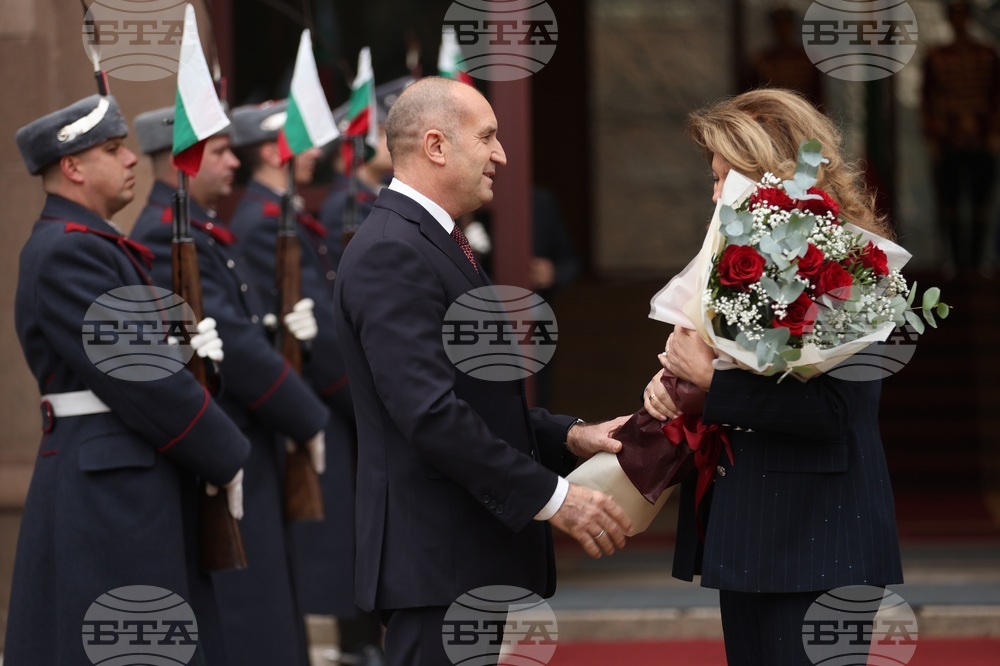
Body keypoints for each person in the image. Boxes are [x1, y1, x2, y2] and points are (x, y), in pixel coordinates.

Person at [333, 76, 633, 665]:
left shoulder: (432, 240)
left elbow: (474, 399)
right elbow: (430, 415)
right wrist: (555, 497)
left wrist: (569, 436)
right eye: (487, 136)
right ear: (436, 145)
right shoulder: (393, 249)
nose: (501, 154)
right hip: (434, 560)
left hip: (457, 555)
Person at [644, 88, 904, 665]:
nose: (714, 194)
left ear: (771, 175)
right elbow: (729, 370)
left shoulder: (847, 262)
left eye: (723, 178)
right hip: (745, 531)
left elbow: (836, 411)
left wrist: (712, 383)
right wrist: (676, 386)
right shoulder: (736, 258)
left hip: (822, 538)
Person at [7, 95, 251, 665]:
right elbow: (142, 376)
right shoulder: (68, 252)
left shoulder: (94, 245)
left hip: (125, 473)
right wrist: (225, 452)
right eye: (113, 150)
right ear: (72, 166)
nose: (133, 159)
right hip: (109, 489)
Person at [130, 105, 329, 666]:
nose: (232, 162)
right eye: (217, 152)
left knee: (268, 596)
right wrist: (307, 416)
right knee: (250, 607)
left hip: (246, 434)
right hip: (228, 436)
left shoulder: (199, 228)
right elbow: (236, 348)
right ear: (183, 160)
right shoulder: (164, 232)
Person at [226, 100, 385, 664]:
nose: (316, 151)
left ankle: (360, 643)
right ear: (274, 153)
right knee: (336, 532)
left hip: (326, 396)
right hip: (316, 398)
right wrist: (364, 401)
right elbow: (314, 327)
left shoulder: (282, 212)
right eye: (301, 141)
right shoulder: (265, 220)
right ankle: (356, 645)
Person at [922, 0, 1000, 273]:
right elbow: (928, 99)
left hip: (981, 141)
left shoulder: (987, 55)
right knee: (951, 203)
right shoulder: (937, 56)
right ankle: (956, 263)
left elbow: (995, 96)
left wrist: (993, 132)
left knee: (981, 203)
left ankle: (977, 264)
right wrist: (934, 137)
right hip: (949, 141)